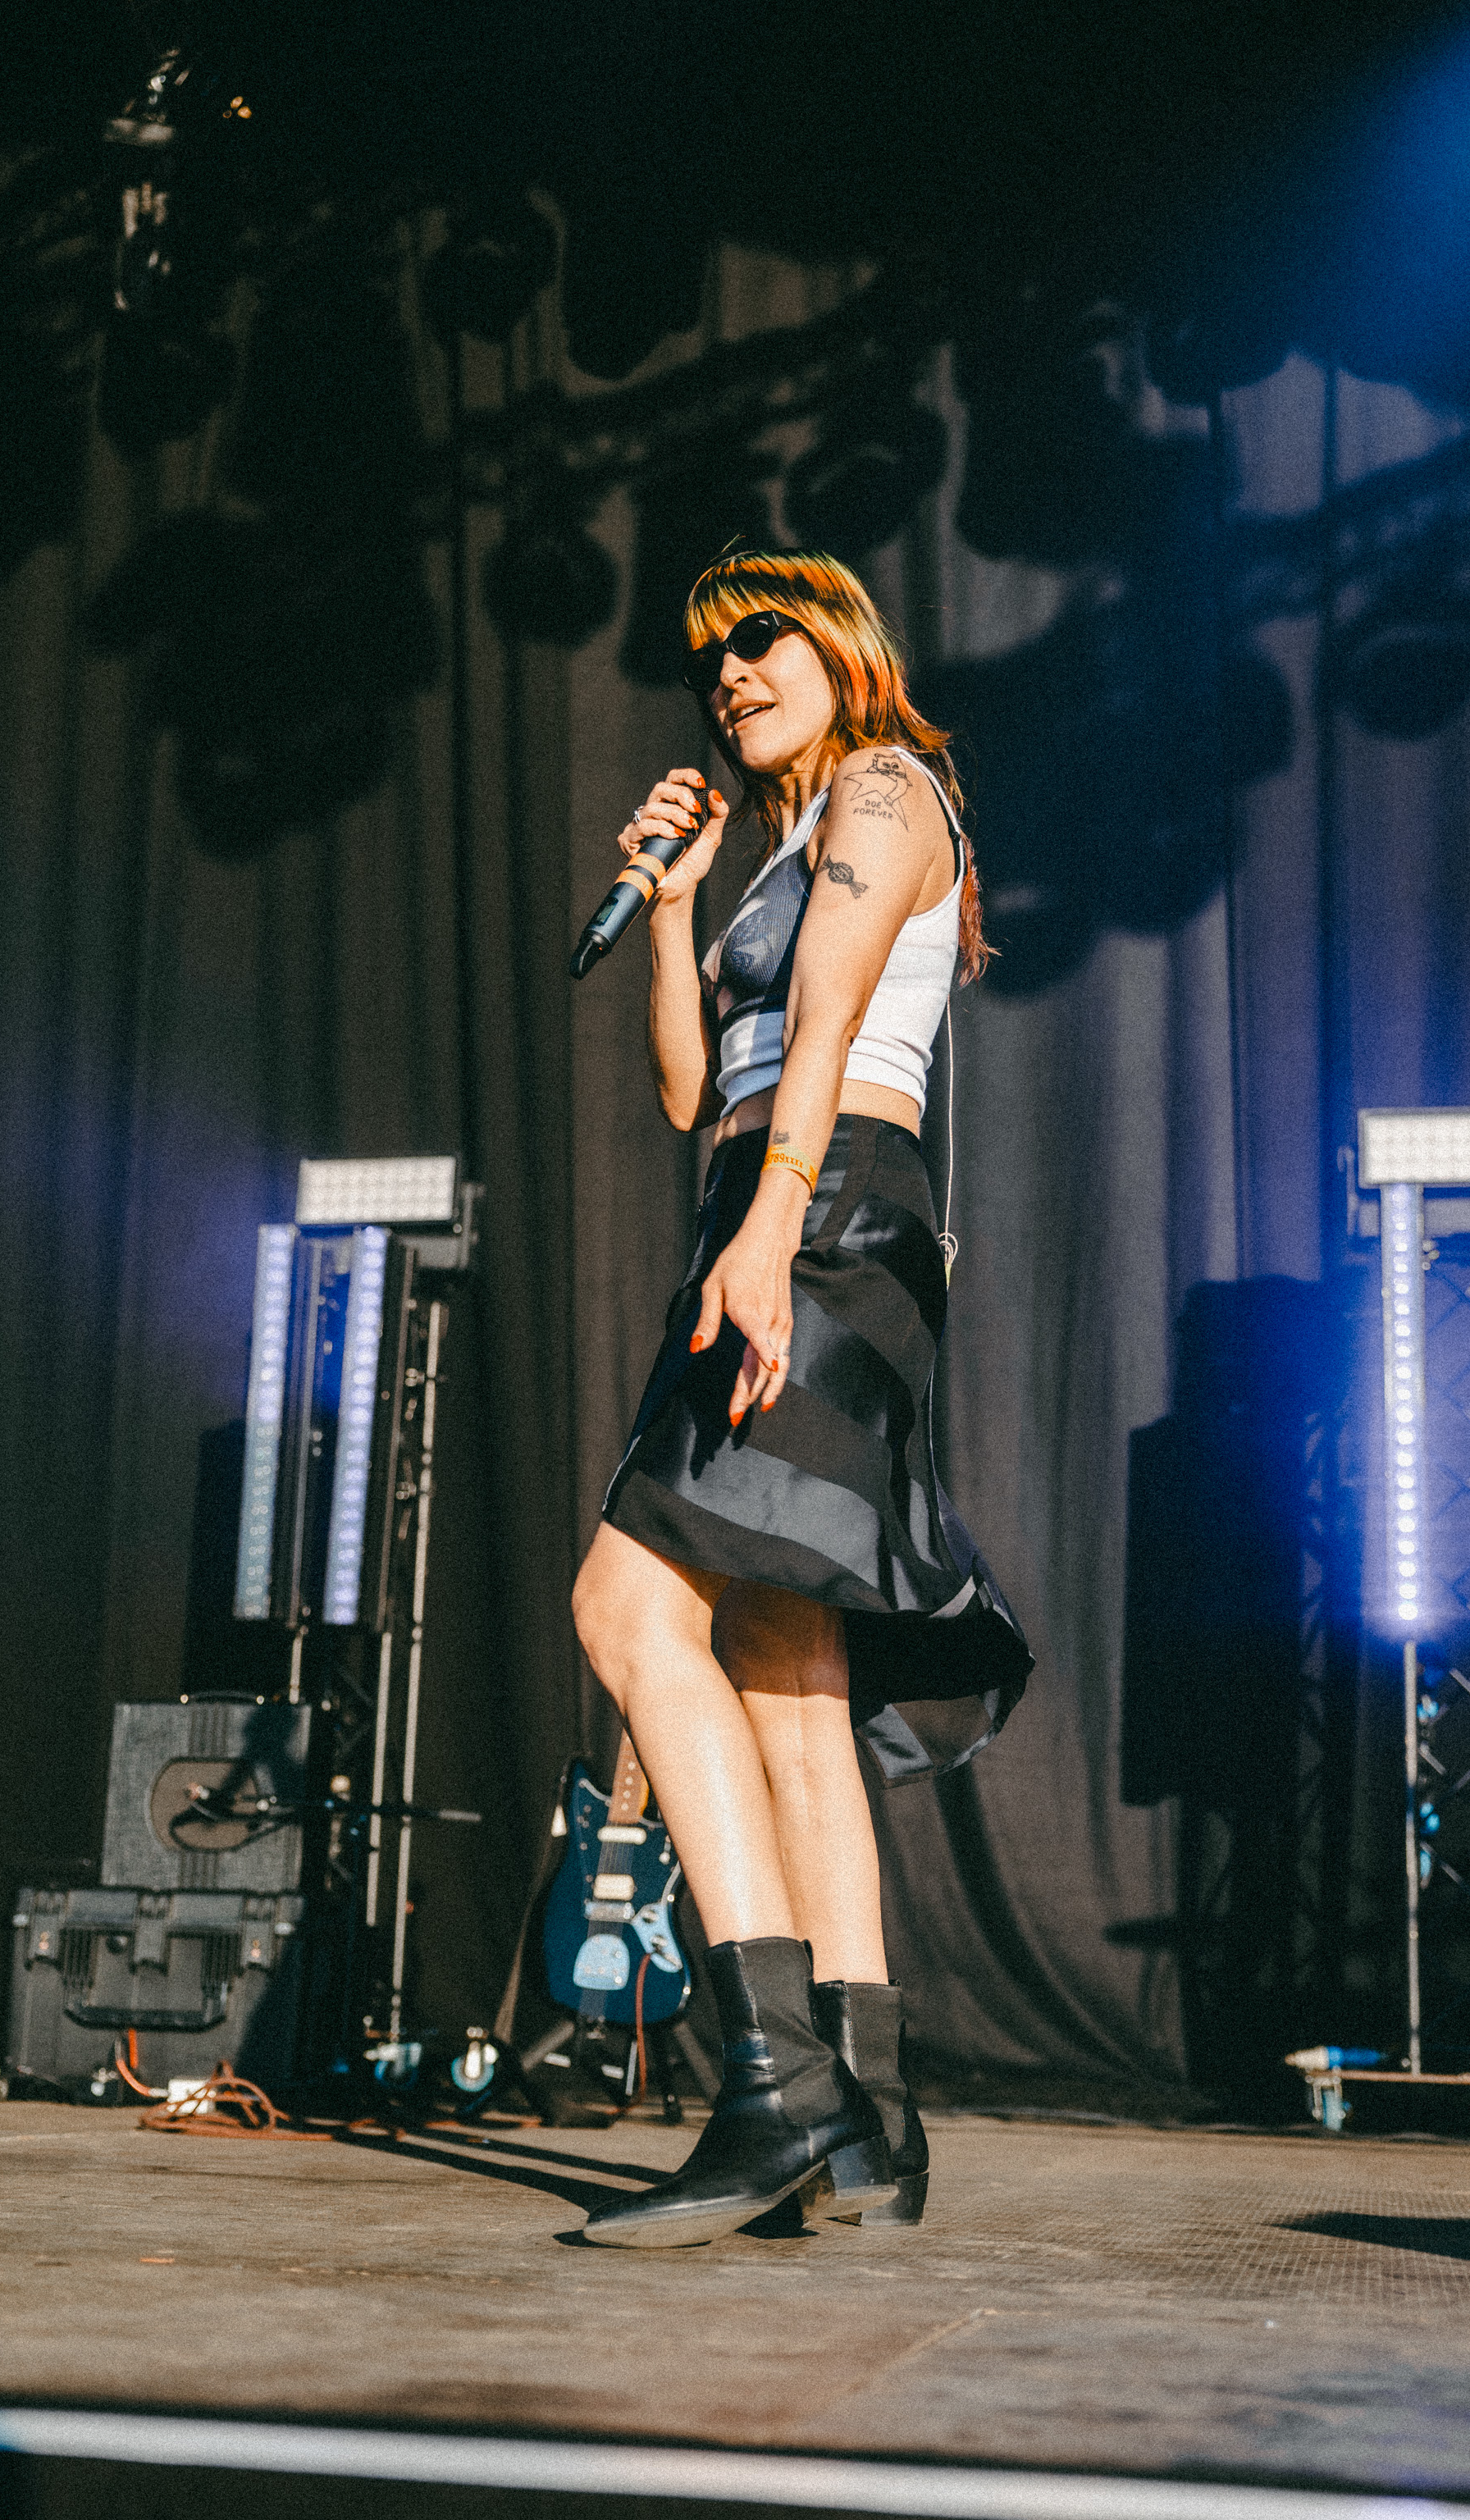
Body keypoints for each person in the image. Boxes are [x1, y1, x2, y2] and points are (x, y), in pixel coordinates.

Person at [571, 551, 1030, 2248]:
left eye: (760, 639)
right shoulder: (781, 845)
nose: (731, 674)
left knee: (625, 1609)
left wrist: (770, 1237)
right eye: (710, 658)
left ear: (840, 645)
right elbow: (692, 1088)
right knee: (786, 1671)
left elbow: (827, 1026)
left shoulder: (889, 788)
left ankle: (773, 2091)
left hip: (821, 1210)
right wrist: (673, 907)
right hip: (789, 1200)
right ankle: (870, 2120)